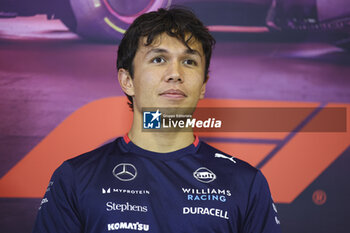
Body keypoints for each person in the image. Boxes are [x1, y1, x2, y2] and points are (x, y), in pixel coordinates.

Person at [32, 8, 282, 233]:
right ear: (127, 80)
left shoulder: (246, 183)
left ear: (203, 85)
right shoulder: (74, 178)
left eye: (189, 61)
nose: (175, 73)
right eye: (158, 59)